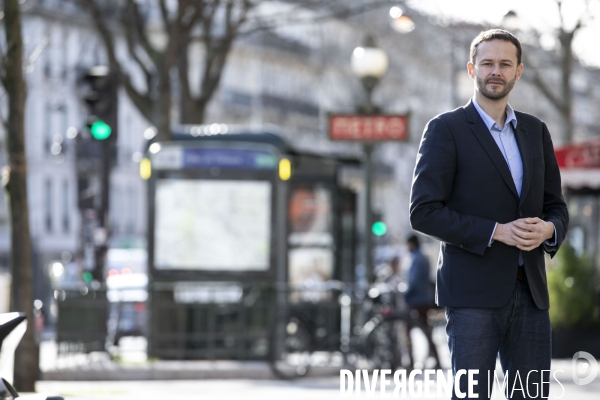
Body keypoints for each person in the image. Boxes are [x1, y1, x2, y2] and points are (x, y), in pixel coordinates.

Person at [409, 29, 568, 399]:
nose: (495, 71)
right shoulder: (445, 130)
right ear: (471, 69)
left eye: (504, 64)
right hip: (471, 297)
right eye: (487, 63)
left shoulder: (535, 131)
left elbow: (556, 207)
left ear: (518, 71)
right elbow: (423, 212)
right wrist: (496, 231)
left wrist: (548, 229)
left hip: (531, 293)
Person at [403, 234, 441, 370]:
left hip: (416, 300)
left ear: (411, 244)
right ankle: (436, 359)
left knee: (410, 330)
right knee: (426, 330)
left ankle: (411, 361)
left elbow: (414, 281)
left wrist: (406, 294)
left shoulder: (416, 259)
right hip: (424, 299)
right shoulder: (423, 257)